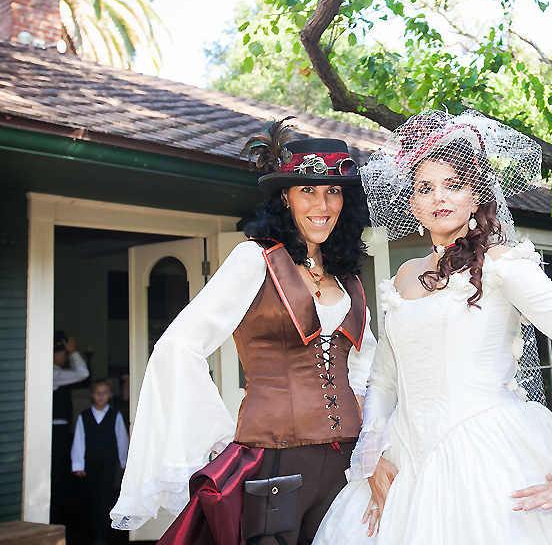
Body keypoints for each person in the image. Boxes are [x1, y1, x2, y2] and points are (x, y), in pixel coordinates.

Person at [313, 110, 552, 545]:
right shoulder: (402, 277)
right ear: (413, 205)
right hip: (403, 462)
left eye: (453, 185)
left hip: (485, 457)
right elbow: (382, 379)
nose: (439, 197)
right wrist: (373, 455)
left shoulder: (503, 265)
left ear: (475, 197)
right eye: (425, 188)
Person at [110, 121, 378, 545]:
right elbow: (178, 346)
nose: (322, 203)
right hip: (274, 460)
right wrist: (218, 436)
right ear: (285, 198)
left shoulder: (346, 279)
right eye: (307, 190)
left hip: (346, 464)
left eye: (333, 191)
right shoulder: (253, 260)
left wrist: (369, 433)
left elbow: (365, 367)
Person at [72, 379, 129, 545]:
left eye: (104, 393)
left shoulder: (115, 415)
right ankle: (92, 528)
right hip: (90, 463)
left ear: (110, 395)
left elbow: (122, 440)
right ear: (92, 395)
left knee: (105, 494)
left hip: (108, 462)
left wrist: (124, 462)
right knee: (92, 494)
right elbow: (79, 441)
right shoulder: (84, 416)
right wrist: (78, 465)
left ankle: (102, 533)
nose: (101, 396)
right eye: (97, 393)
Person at [51, 330, 90, 524]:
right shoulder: (53, 373)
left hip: (60, 431)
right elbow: (83, 373)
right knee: (56, 475)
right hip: (55, 432)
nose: (66, 357)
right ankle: (54, 518)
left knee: (58, 475)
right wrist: (74, 352)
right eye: (65, 353)